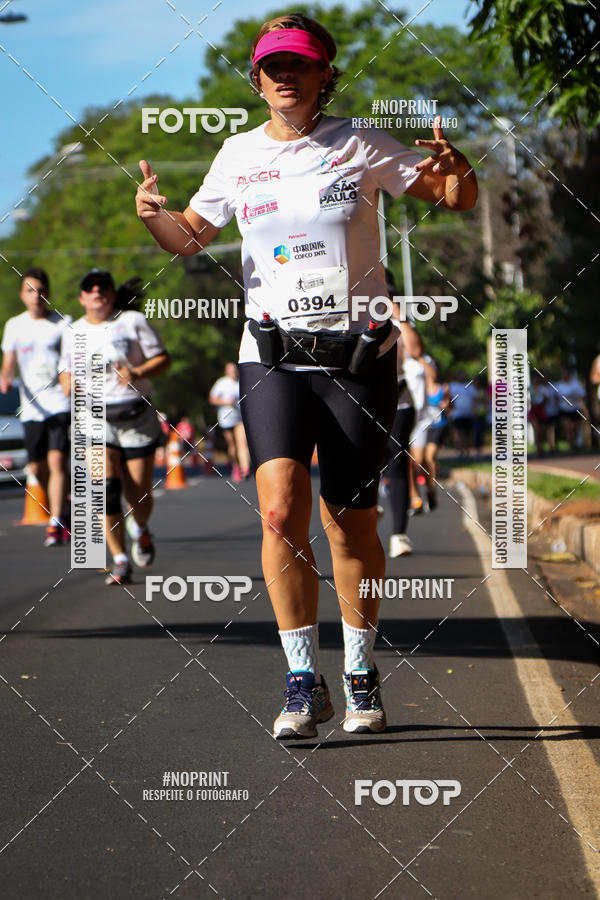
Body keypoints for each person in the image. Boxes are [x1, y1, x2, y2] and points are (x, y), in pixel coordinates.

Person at [136, 13, 477, 737]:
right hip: (271, 353)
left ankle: (358, 667)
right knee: (279, 507)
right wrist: (152, 218)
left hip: (356, 356)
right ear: (256, 80)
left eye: (300, 64)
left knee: (349, 525)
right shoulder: (236, 155)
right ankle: (300, 680)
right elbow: (190, 236)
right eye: (272, 66)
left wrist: (460, 168)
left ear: (326, 74)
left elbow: (456, 199)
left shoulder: (360, 144)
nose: (285, 76)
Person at [59, 270, 170, 585]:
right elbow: (65, 370)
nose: (97, 292)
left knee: (139, 492)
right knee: (105, 490)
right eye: (89, 288)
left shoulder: (132, 321)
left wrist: (136, 372)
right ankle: (120, 559)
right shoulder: (73, 331)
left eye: (103, 287)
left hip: (135, 415)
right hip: (93, 419)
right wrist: (68, 383)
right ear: (82, 298)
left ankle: (141, 529)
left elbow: (163, 360)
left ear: (111, 294)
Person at [1, 268, 71, 546]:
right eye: (30, 291)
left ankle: (55, 523)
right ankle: (60, 501)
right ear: (22, 295)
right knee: (37, 467)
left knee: (56, 460)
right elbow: (9, 359)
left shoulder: (63, 324)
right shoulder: (14, 325)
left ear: (48, 293)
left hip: (59, 400)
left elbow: (71, 360)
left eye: (41, 290)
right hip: (31, 407)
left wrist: (70, 383)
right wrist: (6, 377)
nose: (36, 296)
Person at [209, 363, 251, 480]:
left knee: (242, 443)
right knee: (232, 445)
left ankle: (245, 469)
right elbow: (212, 399)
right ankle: (235, 466)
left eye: (234, 369)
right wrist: (225, 402)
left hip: (239, 418)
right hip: (226, 419)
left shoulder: (241, 382)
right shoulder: (222, 383)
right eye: (230, 370)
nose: (233, 372)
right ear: (226, 372)